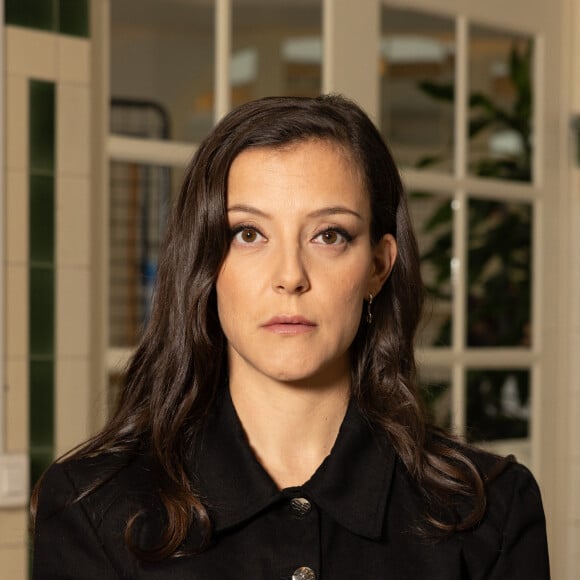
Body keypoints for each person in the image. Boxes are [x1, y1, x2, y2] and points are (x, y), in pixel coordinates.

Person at [31, 95, 550, 579]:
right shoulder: (92, 509)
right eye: (248, 234)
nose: (290, 276)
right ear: (206, 264)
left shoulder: (492, 511)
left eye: (329, 235)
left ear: (377, 266)